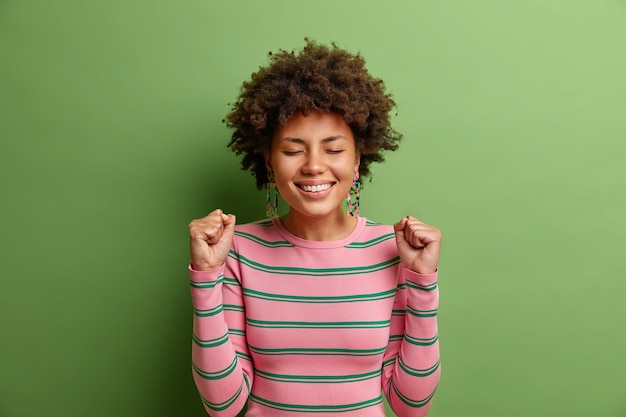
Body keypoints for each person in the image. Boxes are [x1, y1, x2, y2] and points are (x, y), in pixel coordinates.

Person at [187, 39, 442, 417]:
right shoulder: (238, 250)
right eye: (293, 150)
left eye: (334, 149)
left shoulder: (396, 250)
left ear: (358, 159)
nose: (313, 166)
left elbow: (412, 405)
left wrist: (423, 283)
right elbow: (223, 404)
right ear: (270, 163)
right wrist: (206, 277)